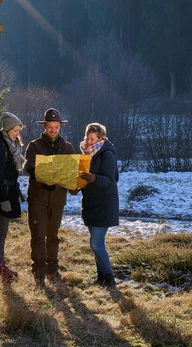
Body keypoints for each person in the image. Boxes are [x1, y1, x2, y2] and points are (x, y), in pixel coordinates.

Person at [24, 108, 76, 286]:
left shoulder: (67, 147)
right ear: (44, 126)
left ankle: (52, 270)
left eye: (56, 127)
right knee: (38, 235)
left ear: (60, 127)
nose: (53, 130)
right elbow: (28, 166)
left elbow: (71, 173)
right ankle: (38, 271)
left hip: (58, 199)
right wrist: (41, 175)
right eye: (50, 127)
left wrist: (76, 185)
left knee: (52, 236)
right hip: (38, 197)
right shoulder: (34, 145)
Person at [77, 122, 119, 288]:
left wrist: (93, 178)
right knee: (96, 245)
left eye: (92, 138)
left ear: (100, 138)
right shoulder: (88, 155)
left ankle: (109, 278)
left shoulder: (107, 154)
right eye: (87, 137)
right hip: (90, 203)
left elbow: (110, 180)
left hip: (104, 204)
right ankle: (101, 277)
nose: (88, 141)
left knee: (96, 243)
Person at [0, 112, 26, 284]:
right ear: (8, 129)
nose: (18, 134)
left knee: (2, 232)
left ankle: (0, 263)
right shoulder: (0, 147)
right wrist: (4, 200)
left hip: (7, 193)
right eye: (15, 131)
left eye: (19, 131)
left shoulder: (9, 145)